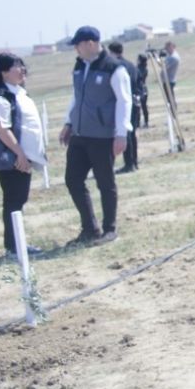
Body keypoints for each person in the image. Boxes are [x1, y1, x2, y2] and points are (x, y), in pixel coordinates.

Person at [60, 26, 131, 245]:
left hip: (103, 136)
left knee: (105, 182)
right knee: (73, 180)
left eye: (78, 45)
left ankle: (110, 228)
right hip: (79, 134)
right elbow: (76, 96)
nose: (76, 50)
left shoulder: (114, 68)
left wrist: (121, 134)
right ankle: (90, 228)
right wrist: (68, 122)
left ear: (90, 43)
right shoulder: (79, 66)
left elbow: (124, 101)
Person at [0, 53, 46, 258]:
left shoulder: (19, 93)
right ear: (3, 72)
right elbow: (2, 130)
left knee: (18, 199)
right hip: (11, 159)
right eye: (16, 66)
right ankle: (14, 246)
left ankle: (16, 243)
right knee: (14, 201)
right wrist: (20, 154)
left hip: (23, 157)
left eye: (22, 65)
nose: (22, 69)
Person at [108, 41, 141, 173]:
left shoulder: (117, 66)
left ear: (111, 52)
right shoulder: (131, 65)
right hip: (135, 101)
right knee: (132, 134)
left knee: (125, 132)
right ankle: (134, 161)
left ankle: (129, 163)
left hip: (125, 102)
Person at [134, 52, 150, 128]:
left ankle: (138, 123)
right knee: (144, 106)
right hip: (144, 88)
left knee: (138, 106)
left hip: (139, 89)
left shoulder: (137, 69)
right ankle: (146, 122)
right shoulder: (145, 69)